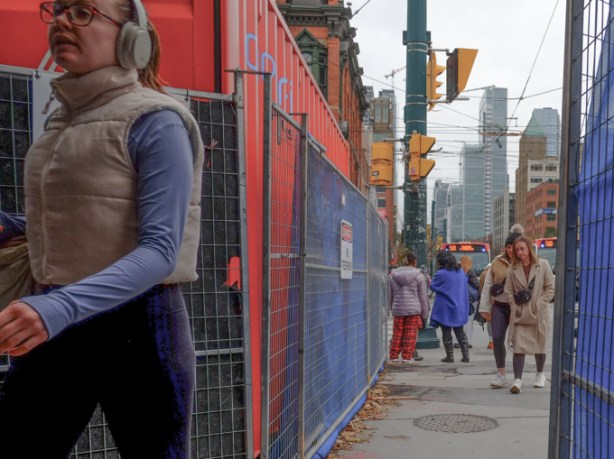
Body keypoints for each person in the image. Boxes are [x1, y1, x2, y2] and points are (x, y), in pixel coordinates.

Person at [0, 1, 204, 457]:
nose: (61, 21)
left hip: (141, 328)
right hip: (55, 318)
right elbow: (76, 219)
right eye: (56, 10)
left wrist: (56, 308)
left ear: (131, 37)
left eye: (83, 12)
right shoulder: (62, 120)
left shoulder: (158, 121)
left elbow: (160, 251)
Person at [504, 234, 555, 394]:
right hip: (520, 314)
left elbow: (550, 287)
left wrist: (540, 303)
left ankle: (540, 374)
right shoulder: (513, 268)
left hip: (538, 313)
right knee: (518, 346)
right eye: (517, 250)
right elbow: (508, 290)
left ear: (529, 248)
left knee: (539, 344)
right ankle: (517, 379)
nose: (519, 252)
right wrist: (514, 301)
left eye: (522, 249)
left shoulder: (543, 265)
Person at [479, 226, 524, 388]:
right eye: (509, 247)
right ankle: (501, 373)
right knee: (497, 337)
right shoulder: (497, 262)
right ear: (505, 248)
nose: (512, 250)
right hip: (499, 305)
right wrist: (484, 307)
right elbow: (487, 285)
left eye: (516, 247)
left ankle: (518, 378)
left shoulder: (526, 262)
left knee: (518, 341)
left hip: (518, 307)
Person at [388, 253, 430, 363]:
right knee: (410, 334)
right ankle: (407, 357)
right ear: (414, 262)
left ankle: (394, 356)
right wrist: (425, 313)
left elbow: (391, 294)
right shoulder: (419, 276)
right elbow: (423, 296)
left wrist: (391, 307)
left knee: (397, 333)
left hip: (398, 308)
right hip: (413, 309)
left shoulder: (393, 276)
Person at [430, 251, 470, 363]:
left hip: (445, 308)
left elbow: (433, 286)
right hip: (459, 306)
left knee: (446, 332)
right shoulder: (460, 271)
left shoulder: (441, 274)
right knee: (460, 331)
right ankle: (466, 355)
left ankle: (450, 356)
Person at [458, 255, 479, 348]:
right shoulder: (469, 271)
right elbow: (476, 284)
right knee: (469, 321)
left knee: (459, 321)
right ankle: (467, 340)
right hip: (469, 299)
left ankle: (457, 340)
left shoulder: (457, 270)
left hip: (459, 298)